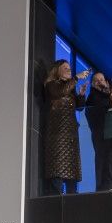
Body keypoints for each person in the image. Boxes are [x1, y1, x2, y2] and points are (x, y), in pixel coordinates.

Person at [41, 60, 86, 194]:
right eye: (65, 68)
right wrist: (76, 78)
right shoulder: (52, 85)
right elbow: (59, 92)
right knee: (58, 170)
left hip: (71, 135)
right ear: (57, 70)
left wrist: (81, 95)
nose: (69, 70)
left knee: (72, 175)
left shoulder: (69, 88)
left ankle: (73, 206)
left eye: (69, 68)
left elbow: (80, 107)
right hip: (58, 134)